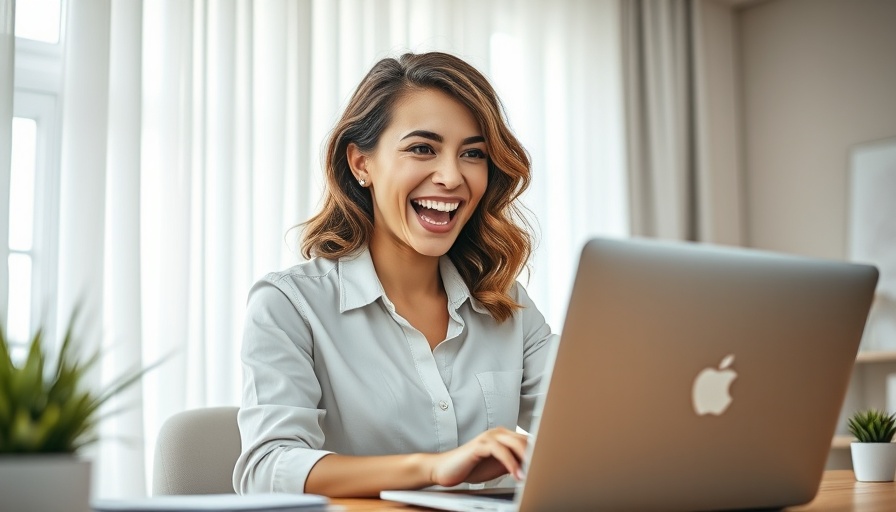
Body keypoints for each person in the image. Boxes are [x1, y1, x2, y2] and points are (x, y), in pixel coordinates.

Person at [233, 51, 557, 498]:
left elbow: (589, 430)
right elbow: (268, 469)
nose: (451, 176)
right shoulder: (290, 305)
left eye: (473, 153)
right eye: (422, 148)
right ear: (361, 164)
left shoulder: (506, 305)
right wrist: (434, 468)